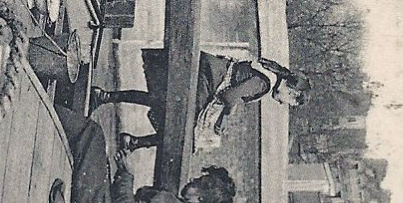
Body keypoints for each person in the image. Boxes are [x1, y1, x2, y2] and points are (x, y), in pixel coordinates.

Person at [55, 106, 236, 203]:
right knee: (98, 159)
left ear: (200, 198)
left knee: (92, 134)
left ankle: (35, 95)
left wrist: (127, 172)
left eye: (198, 183)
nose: (192, 181)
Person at [90, 51, 310, 152]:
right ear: (290, 91)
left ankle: (107, 98)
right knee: (189, 135)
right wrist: (223, 120)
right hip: (205, 79)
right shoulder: (265, 83)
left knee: (164, 102)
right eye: (288, 102)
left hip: (207, 72)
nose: (283, 104)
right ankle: (134, 142)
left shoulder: (269, 69)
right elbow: (229, 96)